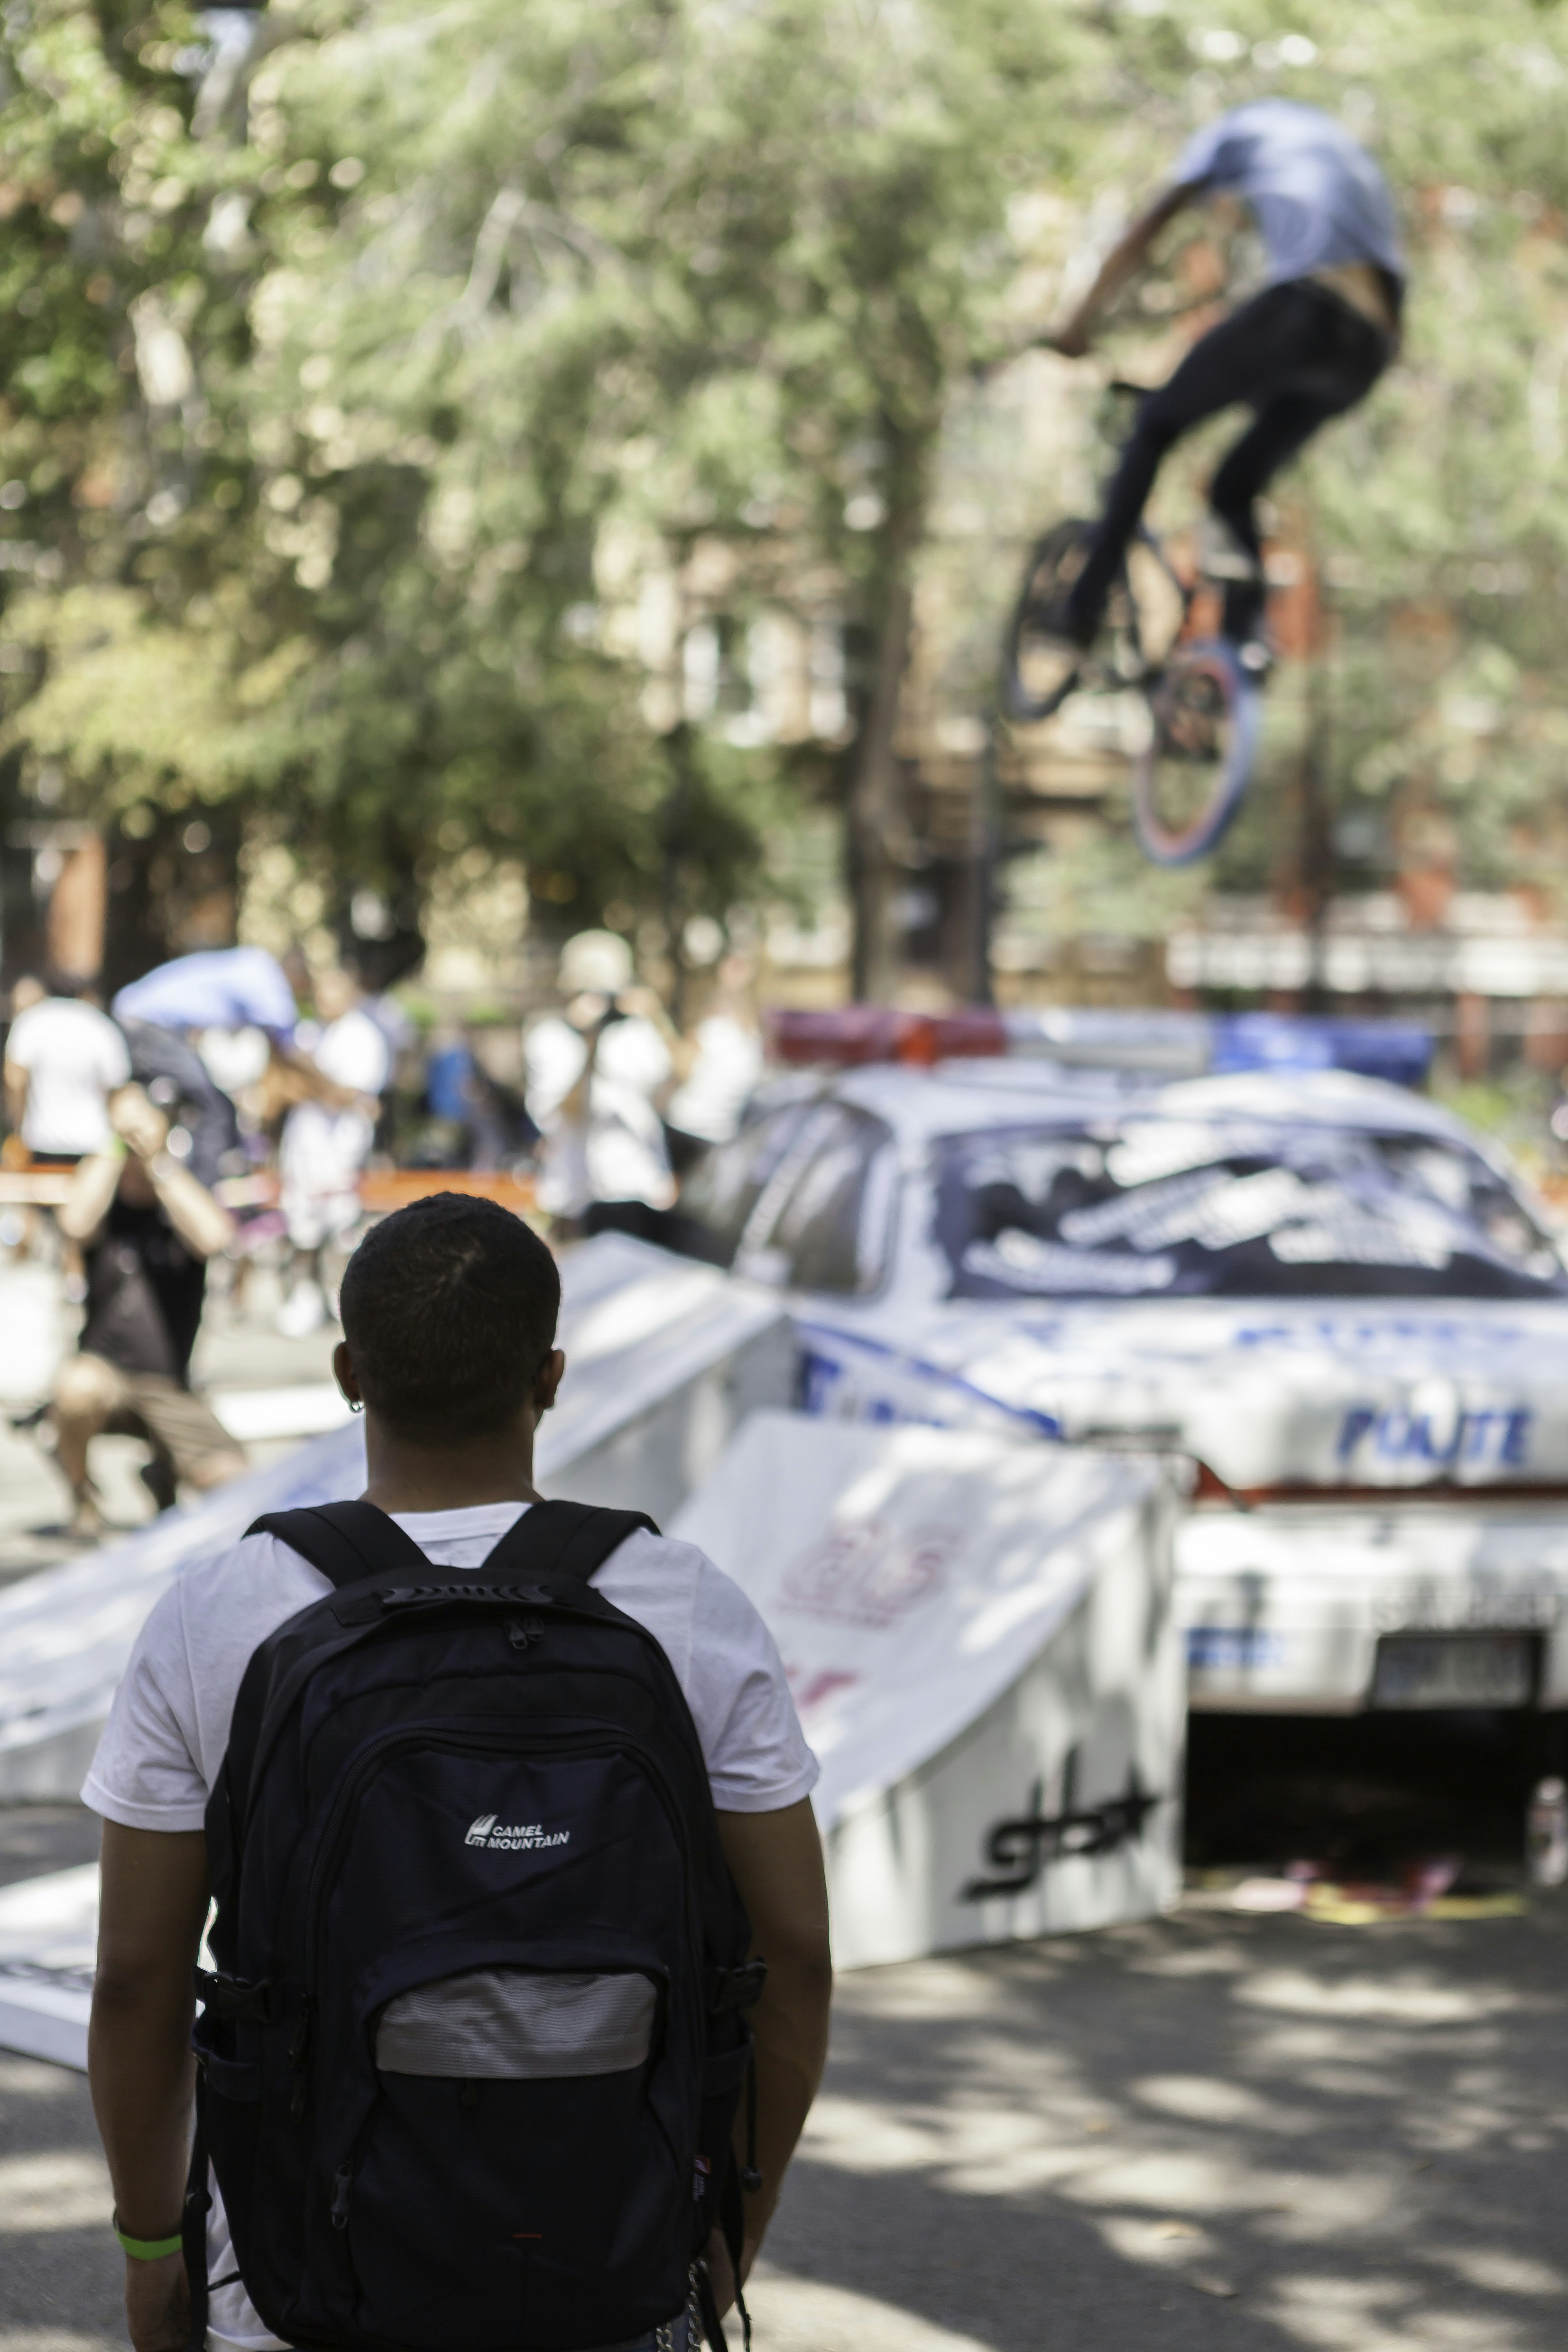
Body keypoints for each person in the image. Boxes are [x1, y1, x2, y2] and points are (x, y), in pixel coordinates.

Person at [84, 1193, 831, 2352]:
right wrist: (732, 2218)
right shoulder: (683, 1604)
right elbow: (795, 1957)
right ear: (550, 1375)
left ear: (347, 1372)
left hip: (299, 2279)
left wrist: (150, 2253)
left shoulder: (219, 1610)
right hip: (609, 2263)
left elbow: (137, 1978)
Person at [1043, 98, 1403, 656]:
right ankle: (1242, 648)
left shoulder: (1229, 132)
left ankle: (1082, 607)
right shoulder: (1335, 151)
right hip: (1369, 350)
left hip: (1307, 311)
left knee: (1156, 425)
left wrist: (1077, 325)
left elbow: (1146, 230)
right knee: (1235, 484)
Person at [53, 1081, 246, 1536]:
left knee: (236, 1484)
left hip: (169, 1385)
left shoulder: (180, 1185)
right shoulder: (105, 1193)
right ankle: (82, 1496)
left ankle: (163, 1473)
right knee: (75, 1387)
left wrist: (158, 1162)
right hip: (107, 1377)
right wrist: (114, 1145)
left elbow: (215, 1238)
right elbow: (74, 1225)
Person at [525, 931, 678, 1230]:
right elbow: (564, 1113)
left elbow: (677, 1088)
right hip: (573, 1196)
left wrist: (658, 1017)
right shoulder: (549, 1038)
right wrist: (589, 1046)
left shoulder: (638, 1033)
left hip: (636, 1189)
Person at [276, 966, 391, 1335]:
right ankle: (305, 1297)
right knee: (302, 1226)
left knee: (340, 1228)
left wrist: (307, 1073)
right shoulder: (310, 1032)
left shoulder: (363, 1037)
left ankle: (341, 1297)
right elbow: (283, 1086)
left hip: (341, 1151)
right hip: (304, 1148)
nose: (323, 1001)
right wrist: (318, 1084)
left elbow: (348, 1096)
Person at [4, 971, 131, 1161]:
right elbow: (119, 1087)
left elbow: (14, 1079)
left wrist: (17, 1124)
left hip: (41, 1140)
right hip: (92, 1143)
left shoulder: (31, 1022)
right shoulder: (102, 1026)